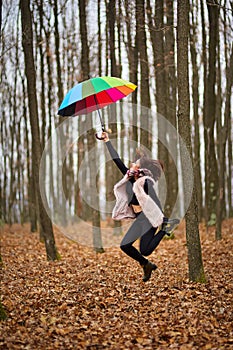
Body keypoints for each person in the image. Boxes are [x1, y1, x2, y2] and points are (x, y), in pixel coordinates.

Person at [99, 131, 179, 282]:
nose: (131, 165)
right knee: (125, 245)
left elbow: (155, 202)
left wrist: (162, 219)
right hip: (140, 219)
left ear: (140, 168)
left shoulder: (146, 182)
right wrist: (107, 141)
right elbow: (117, 161)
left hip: (149, 219)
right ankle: (146, 265)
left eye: (134, 164)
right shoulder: (131, 179)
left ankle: (165, 229)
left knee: (146, 250)